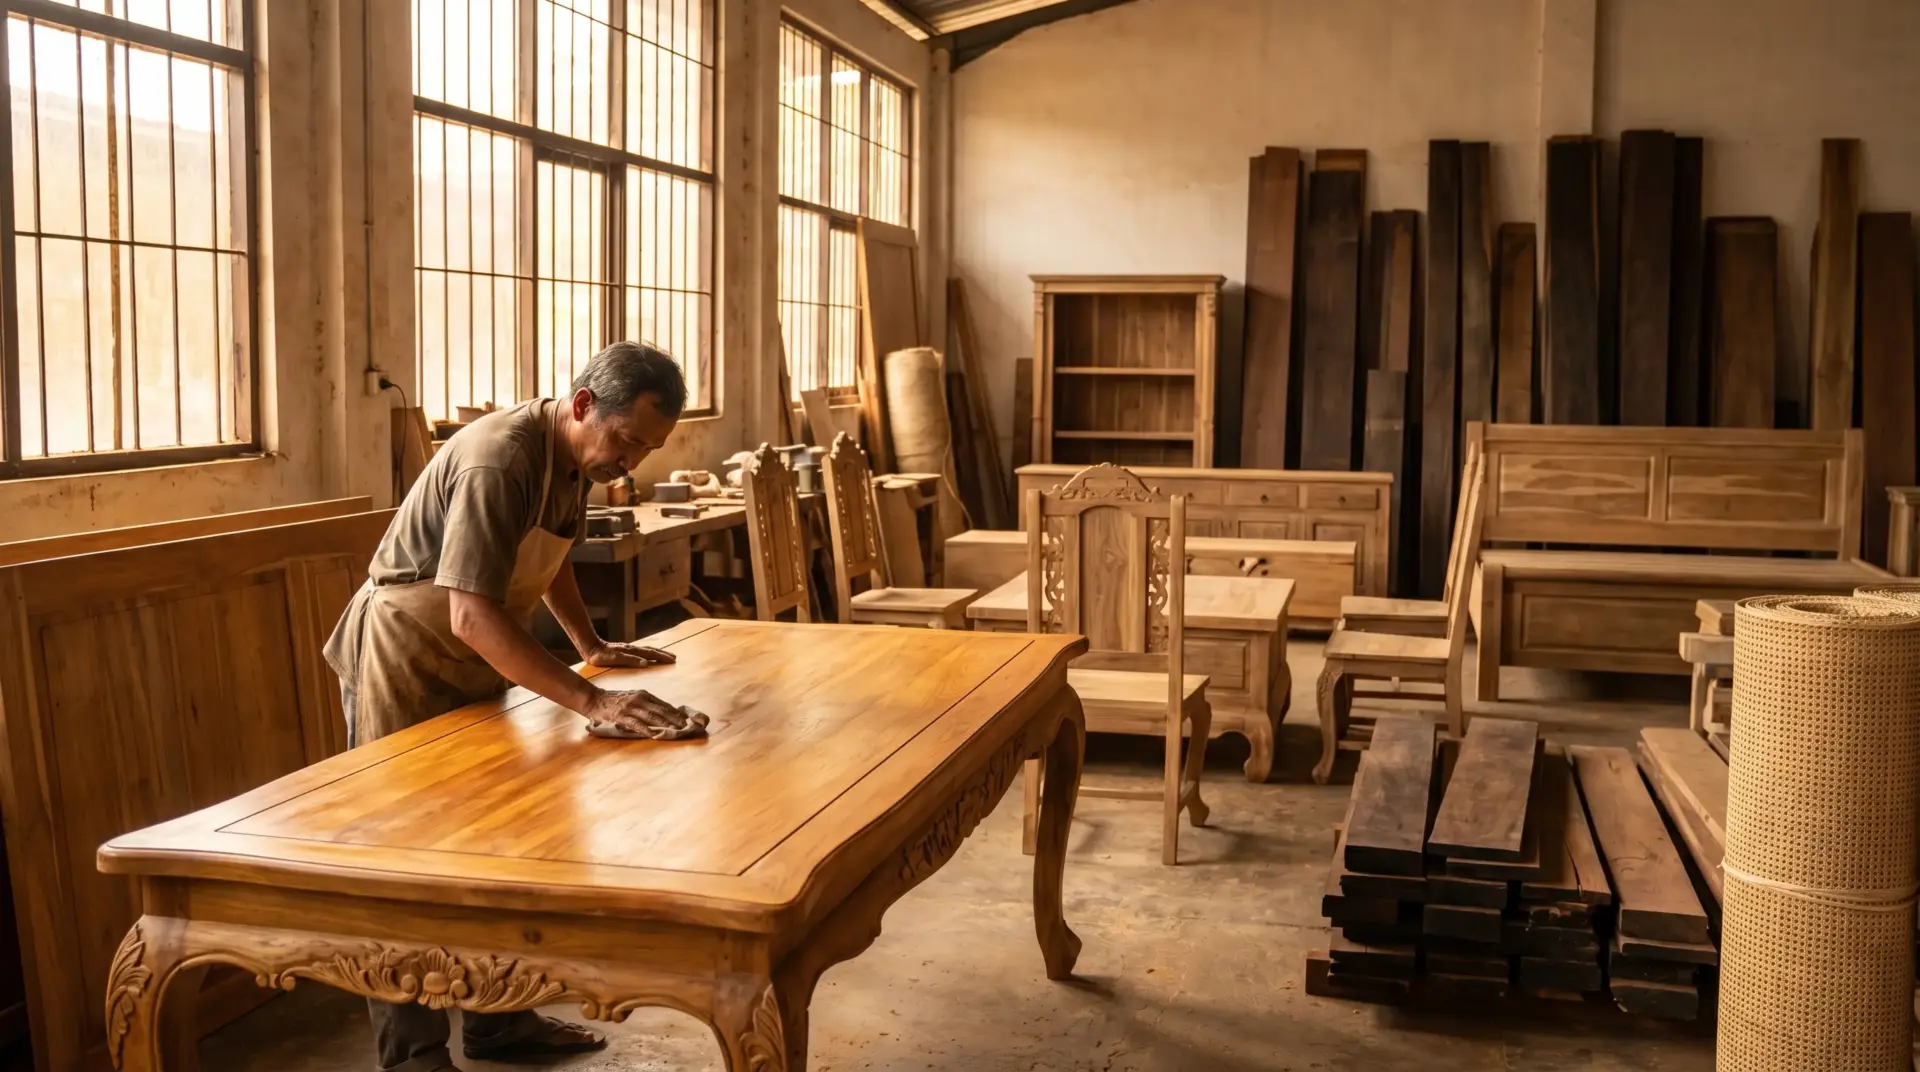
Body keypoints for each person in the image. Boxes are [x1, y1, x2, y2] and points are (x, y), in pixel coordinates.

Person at [323, 341, 702, 1071]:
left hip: (472, 658)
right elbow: (470, 615)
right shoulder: (502, 457)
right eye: (627, 443)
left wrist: (590, 644)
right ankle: (415, 1057)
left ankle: (501, 1023)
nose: (630, 464)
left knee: (497, 845)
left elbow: (548, 553)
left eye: (645, 453)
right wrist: (592, 700)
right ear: (584, 404)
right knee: (407, 868)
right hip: (407, 657)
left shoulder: (580, 459)